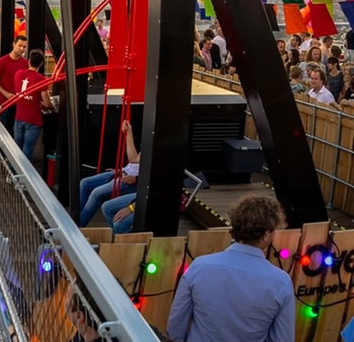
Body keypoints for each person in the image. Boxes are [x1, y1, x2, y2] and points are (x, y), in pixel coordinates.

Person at [166, 194, 293, 342]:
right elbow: (283, 339)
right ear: (266, 235)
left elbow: (175, 328)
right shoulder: (280, 282)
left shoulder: (199, 267)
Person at [79, 120, 140, 226]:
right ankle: (76, 217)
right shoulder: (152, 140)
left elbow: (134, 158)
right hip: (124, 171)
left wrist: (136, 178)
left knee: (96, 193)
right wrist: (129, 133)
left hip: (130, 180)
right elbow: (135, 160)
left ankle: (78, 224)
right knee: (85, 183)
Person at [12, 49, 52, 162]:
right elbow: (47, 103)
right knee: (27, 151)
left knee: (16, 150)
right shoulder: (41, 79)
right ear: (41, 63)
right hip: (33, 120)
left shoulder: (18, 74)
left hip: (19, 117)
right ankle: (22, 176)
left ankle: (12, 173)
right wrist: (52, 107)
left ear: (28, 61)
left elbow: (21, 94)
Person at [0, 34, 28, 136]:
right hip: (4, 103)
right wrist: (6, 94)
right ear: (14, 44)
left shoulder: (25, 63)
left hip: (18, 102)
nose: (22, 49)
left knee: (16, 131)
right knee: (4, 131)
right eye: (20, 45)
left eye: (24, 46)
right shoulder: (3, 61)